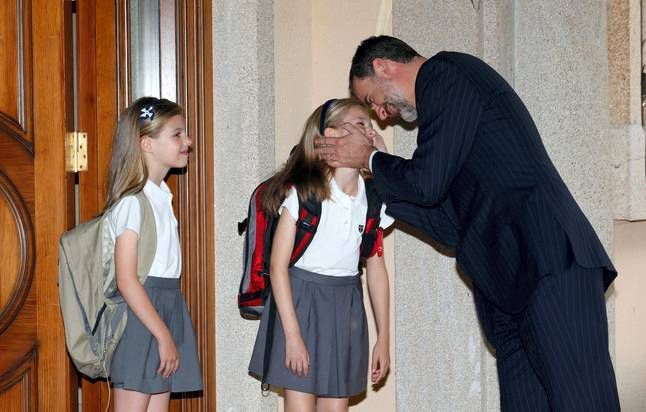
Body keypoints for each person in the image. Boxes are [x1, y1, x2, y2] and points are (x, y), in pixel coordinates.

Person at [317, 36, 620, 411]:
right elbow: (449, 225)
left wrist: (374, 160)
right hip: (509, 293)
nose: (381, 113)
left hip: (549, 263)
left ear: (382, 66)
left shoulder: (445, 75)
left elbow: (425, 183)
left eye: (370, 100)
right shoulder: (443, 122)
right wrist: (371, 188)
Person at [249, 98, 392, 412]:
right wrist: (292, 335)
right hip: (301, 305)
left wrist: (383, 336)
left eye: (371, 126)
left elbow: (376, 265)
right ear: (331, 135)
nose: (369, 131)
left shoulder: (373, 199)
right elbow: (278, 266)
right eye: (359, 124)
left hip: (345, 307)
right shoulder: (305, 194)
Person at [104, 97, 203, 411]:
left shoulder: (161, 196)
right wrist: (162, 334)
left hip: (165, 307)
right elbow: (126, 279)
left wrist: (166, 331)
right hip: (141, 317)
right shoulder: (132, 203)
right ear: (146, 144)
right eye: (177, 134)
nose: (187, 141)